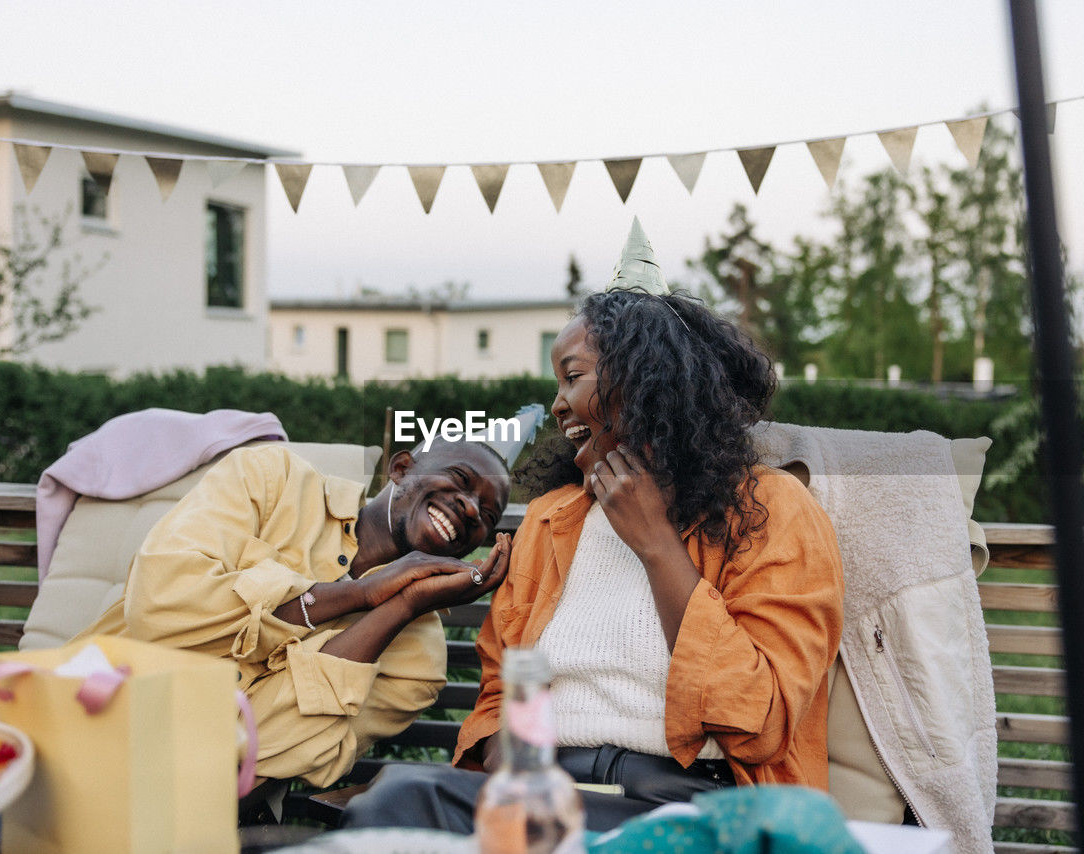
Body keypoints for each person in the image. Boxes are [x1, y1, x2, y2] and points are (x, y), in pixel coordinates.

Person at [339, 219, 844, 832]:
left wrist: (656, 541)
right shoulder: (553, 522)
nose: (556, 404)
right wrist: (515, 770)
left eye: (572, 377)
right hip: (544, 792)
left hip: (682, 803)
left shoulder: (770, 509)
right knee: (396, 800)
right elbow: (499, 692)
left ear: (643, 381)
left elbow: (759, 720)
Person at [0, 438, 513, 788]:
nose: (468, 509)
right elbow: (159, 604)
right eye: (461, 483)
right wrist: (356, 594)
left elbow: (271, 748)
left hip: (171, 796)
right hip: (54, 717)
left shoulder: (417, 661)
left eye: (487, 517)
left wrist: (397, 607)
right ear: (401, 469)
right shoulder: (270, 481)